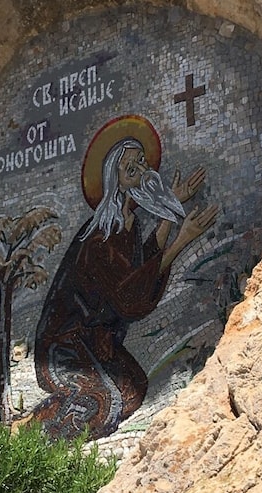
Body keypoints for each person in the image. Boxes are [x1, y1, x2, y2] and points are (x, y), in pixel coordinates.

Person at [29, 115, 219, 439]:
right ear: (113, 178)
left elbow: (142, 267)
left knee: (135, 389)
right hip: (67, 345)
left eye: (141, 162)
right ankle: (38, 431)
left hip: (100, 341)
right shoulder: (99, 235)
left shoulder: (128, 222)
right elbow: (130, 298)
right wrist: (182, 239)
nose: (140, 169)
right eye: (128, 166)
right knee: (108, 402)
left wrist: (169, 209)